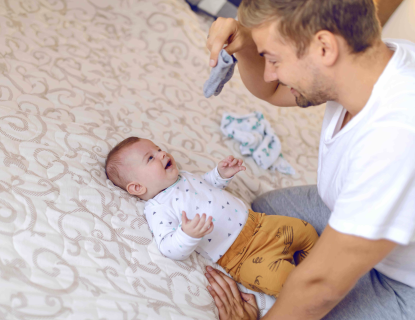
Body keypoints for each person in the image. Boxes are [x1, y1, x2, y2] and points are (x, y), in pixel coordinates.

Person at [203, 0, 415, 319]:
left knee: (311, 298)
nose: (270, 71)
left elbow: (321, 285)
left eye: (274, 59)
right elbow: (272, 90)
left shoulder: (396, 136)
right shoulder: (373, 59)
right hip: (368, 224)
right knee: (265, 212)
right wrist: (247, 45)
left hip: (405, 283)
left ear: (324, 48)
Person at [105, 137, 318, 298]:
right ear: (137, 187)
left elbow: (207, 185)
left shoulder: (184, 176)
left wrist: (220, 174)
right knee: (282, 280)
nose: (162, 154)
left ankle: (314, 264)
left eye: (158, 149)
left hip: (261, 224)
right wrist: (186, 235)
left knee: (305, 230)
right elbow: (168, 246)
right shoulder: (157, 208)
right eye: (150, 158)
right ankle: (313, 287)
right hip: (241, 257)